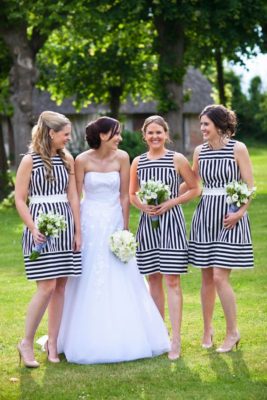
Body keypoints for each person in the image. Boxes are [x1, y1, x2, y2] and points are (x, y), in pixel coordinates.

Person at [57, 116, 170, 364]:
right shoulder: (82, 160)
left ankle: (128, 332)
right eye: (116, 133)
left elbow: (124, 196)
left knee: (122, 274)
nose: (119, 138)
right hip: (89, 221)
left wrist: (125, 227)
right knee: (86, 276)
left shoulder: (123, 157)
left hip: (114, 220)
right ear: (102, 135)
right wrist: (77, 229)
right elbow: (75, 195)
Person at [129, 115, 200, 360]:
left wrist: (172, 201)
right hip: (148, 225)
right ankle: (159, 336)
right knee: (154, 280)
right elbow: (131, 194)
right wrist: (142, 206)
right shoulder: (137, 162)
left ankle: (176, 339)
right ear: (144, 136)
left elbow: (194, 188)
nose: (155, 137)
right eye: (150, 133)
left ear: (166, 134)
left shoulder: (177, 159)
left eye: (159, 132)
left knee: (172, 280)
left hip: (172, 224)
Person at [15, 111, 82, 367]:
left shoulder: (67, 159)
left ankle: (53, 343)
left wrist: (77, 231)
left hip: (65, 226)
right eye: (65, 134)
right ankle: (26, 343)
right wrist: (32, 228)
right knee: (46, 287)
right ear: (51, 133)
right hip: (40, 226)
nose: (68, 138)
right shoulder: (29, 161)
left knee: (61, 286)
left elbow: (74, 196)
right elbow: (21, 199)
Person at [188, 104, 254, 352]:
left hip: (230, 217)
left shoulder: (238, 148)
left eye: (205, 124)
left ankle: (232, 332)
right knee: (206, 276)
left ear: (218, 124)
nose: (202, 128)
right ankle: (207, 331)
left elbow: (249, 185)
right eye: (201, 124)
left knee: (219, 276)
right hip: (205, 215)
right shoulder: (199, 151)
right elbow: (193, 183)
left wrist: (240, 212)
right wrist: (163, 195)